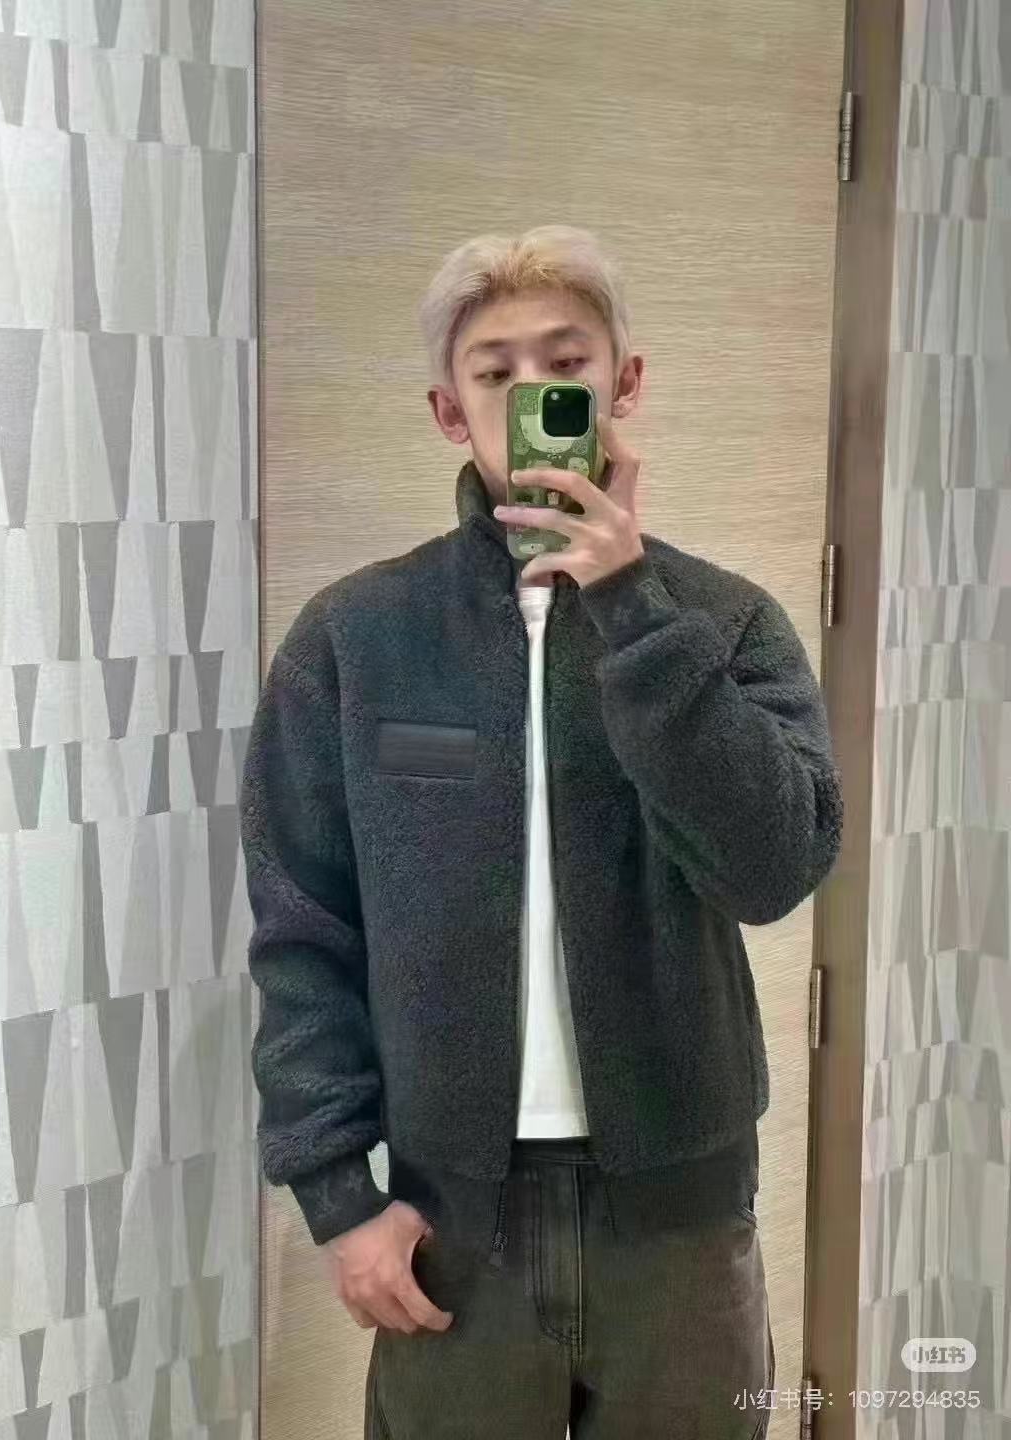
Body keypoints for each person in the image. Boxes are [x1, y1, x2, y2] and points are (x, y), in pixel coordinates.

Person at [241, 225, 843, 1438]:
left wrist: (630, 605)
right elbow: (303, 929)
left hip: (681, 1220)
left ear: (625, 384)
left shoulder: (721, 623)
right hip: (450, 1226)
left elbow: (775, 867)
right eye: (496, 371)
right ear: (448, 411)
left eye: (565, 364)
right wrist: (337, 1197)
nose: (534, 395)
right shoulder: (355, 640)